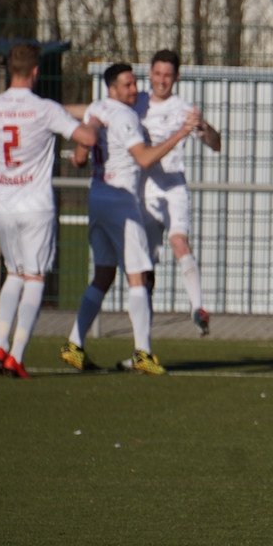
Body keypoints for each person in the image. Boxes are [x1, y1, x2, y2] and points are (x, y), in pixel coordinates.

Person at [0, 42, 99, 379]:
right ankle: (16, 356)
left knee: (14, 273)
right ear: (36, 71)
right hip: (35, 206)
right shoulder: (45, 109)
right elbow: (86, 138)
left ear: (10, 69)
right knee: (35, 277)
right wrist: (94, 124)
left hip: (3, 205)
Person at [60, 63, 198, 375]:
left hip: (96, 197)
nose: (134, 90)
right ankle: (142, 352)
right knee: (138, 276)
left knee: (104, 274)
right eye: (127, 85)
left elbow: (80, 159)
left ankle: (74, 344)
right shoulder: (125, 117)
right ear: (112, 89)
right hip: (121, 202)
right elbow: (145, 158)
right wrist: (180, 133)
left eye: (134, 84)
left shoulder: (96, 110)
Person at [134, 50, 220, 336]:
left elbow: (216, 144)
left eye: (167, 75)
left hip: (174, 188)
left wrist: (204, 127)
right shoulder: (138, 104)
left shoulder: (184, 108)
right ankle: (143, 331)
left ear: (176, 77)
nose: (161, 80)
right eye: (157, 74)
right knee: (146, 262)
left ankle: (198, 308)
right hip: (145, 190)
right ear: (149, 73)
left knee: (179, 242)